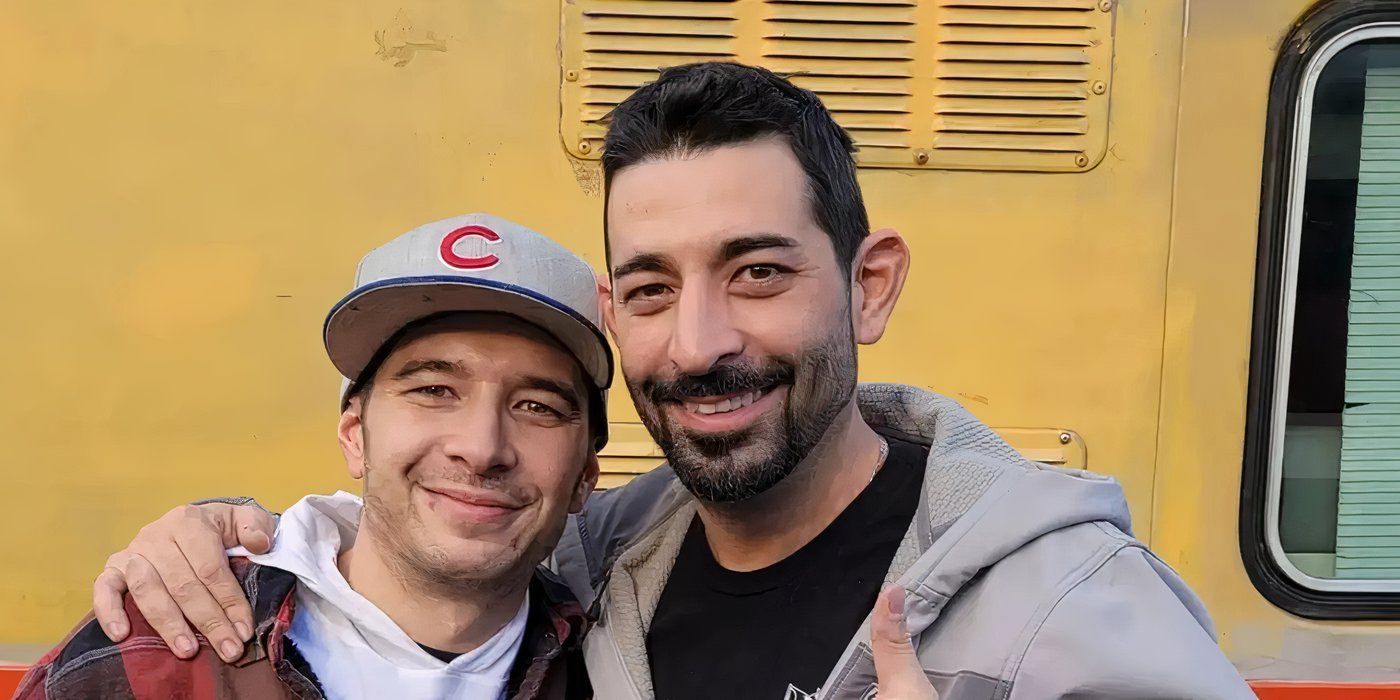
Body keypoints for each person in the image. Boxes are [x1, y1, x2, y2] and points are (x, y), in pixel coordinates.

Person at [87, 64, 1254, 699]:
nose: (697, 342)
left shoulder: (1062, 606)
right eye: (650, 288)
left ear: (870, 286)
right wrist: (216, 535)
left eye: (754, 272)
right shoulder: (596, 572)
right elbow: (432, 530)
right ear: (614, 312)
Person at [16, 213, 611, 699]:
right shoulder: (150, 655)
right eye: (432, 390)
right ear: (354, 434)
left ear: (585, 476)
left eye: (538, 407)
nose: (482, 449)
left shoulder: (621, 665)